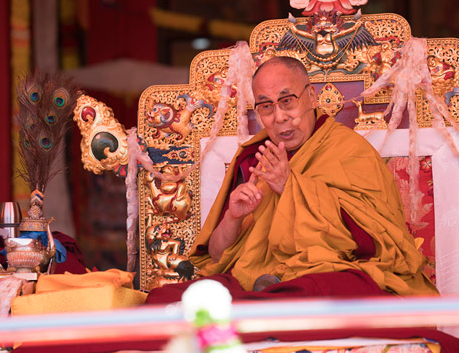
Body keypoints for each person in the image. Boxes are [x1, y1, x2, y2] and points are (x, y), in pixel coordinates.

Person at [146, 56, 437, 303]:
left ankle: (271, 299)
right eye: (266, 106)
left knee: (322, 293)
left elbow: (374, 244)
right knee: (163, 300)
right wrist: (233, 218)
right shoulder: (252, 159)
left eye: (287, 101)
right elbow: (217, 255)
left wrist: (290, 185)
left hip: (322, 276)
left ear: (311, 96)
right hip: (253, 280)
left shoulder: (350, 152)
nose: (280, 116)